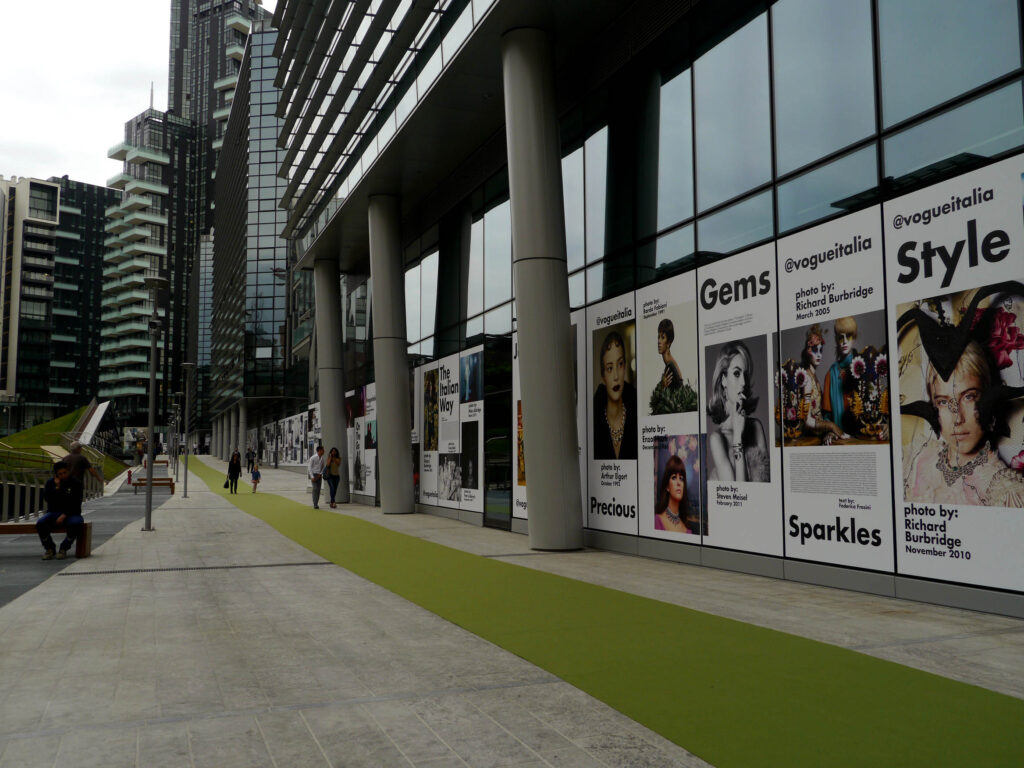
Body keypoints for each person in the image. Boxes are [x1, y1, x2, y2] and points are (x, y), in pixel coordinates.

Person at [904, 341, 1024, 507]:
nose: (957, 419)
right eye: (943, 402)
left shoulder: (1004, 492)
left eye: (969, 397)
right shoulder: (916, 461)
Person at [707, 340, 769, 482]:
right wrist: (737, 438)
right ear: (723, 380)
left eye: (745, 375)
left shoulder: (756, 427)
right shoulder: (717, 439)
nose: (743, 382)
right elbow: (739, 494)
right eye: (736, 373)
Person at [593, 330, 638, 460]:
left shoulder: (636, 412)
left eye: (620, 364)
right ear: (603, 376)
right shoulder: (593, 421)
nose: (616, 376)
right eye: (609, 368)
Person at [798, 325, 847, 445]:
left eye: (821, 351)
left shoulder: (815, 377)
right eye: (815, 350)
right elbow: (807, 420)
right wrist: (831, 426)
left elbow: (819, 414)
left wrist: (829, 431)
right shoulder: (807, 378)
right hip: (809, 438)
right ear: (808, 351)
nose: (819, 355)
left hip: (818, 434)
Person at [36, 461, 84, 560]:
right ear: (56, 475)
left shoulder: (76, 483)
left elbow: (76, 502)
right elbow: (48, 498)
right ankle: (49, 548)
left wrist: (64, 515)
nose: (63, 475)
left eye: (65, 472)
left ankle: (64, 548)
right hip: (54, 512)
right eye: (60, 474)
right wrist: (57, 488)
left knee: (76, 524)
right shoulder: (51, 483)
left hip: (72, 512)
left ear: (68, 471)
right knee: (41, 523)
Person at [823, 316, 858, 434]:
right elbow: (827, 415)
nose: (844, 341)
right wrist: (830, 431)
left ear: (854, 337)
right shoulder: (831, 374)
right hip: (839, 439)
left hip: (861, 437)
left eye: (848, 336)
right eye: (840, 337)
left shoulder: (862, 367)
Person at [654, 454, 692, 533]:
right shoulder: (656, 521)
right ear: (667, 486)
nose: (679, 483)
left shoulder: (687, 531)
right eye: (674, 477)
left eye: (681, 478)